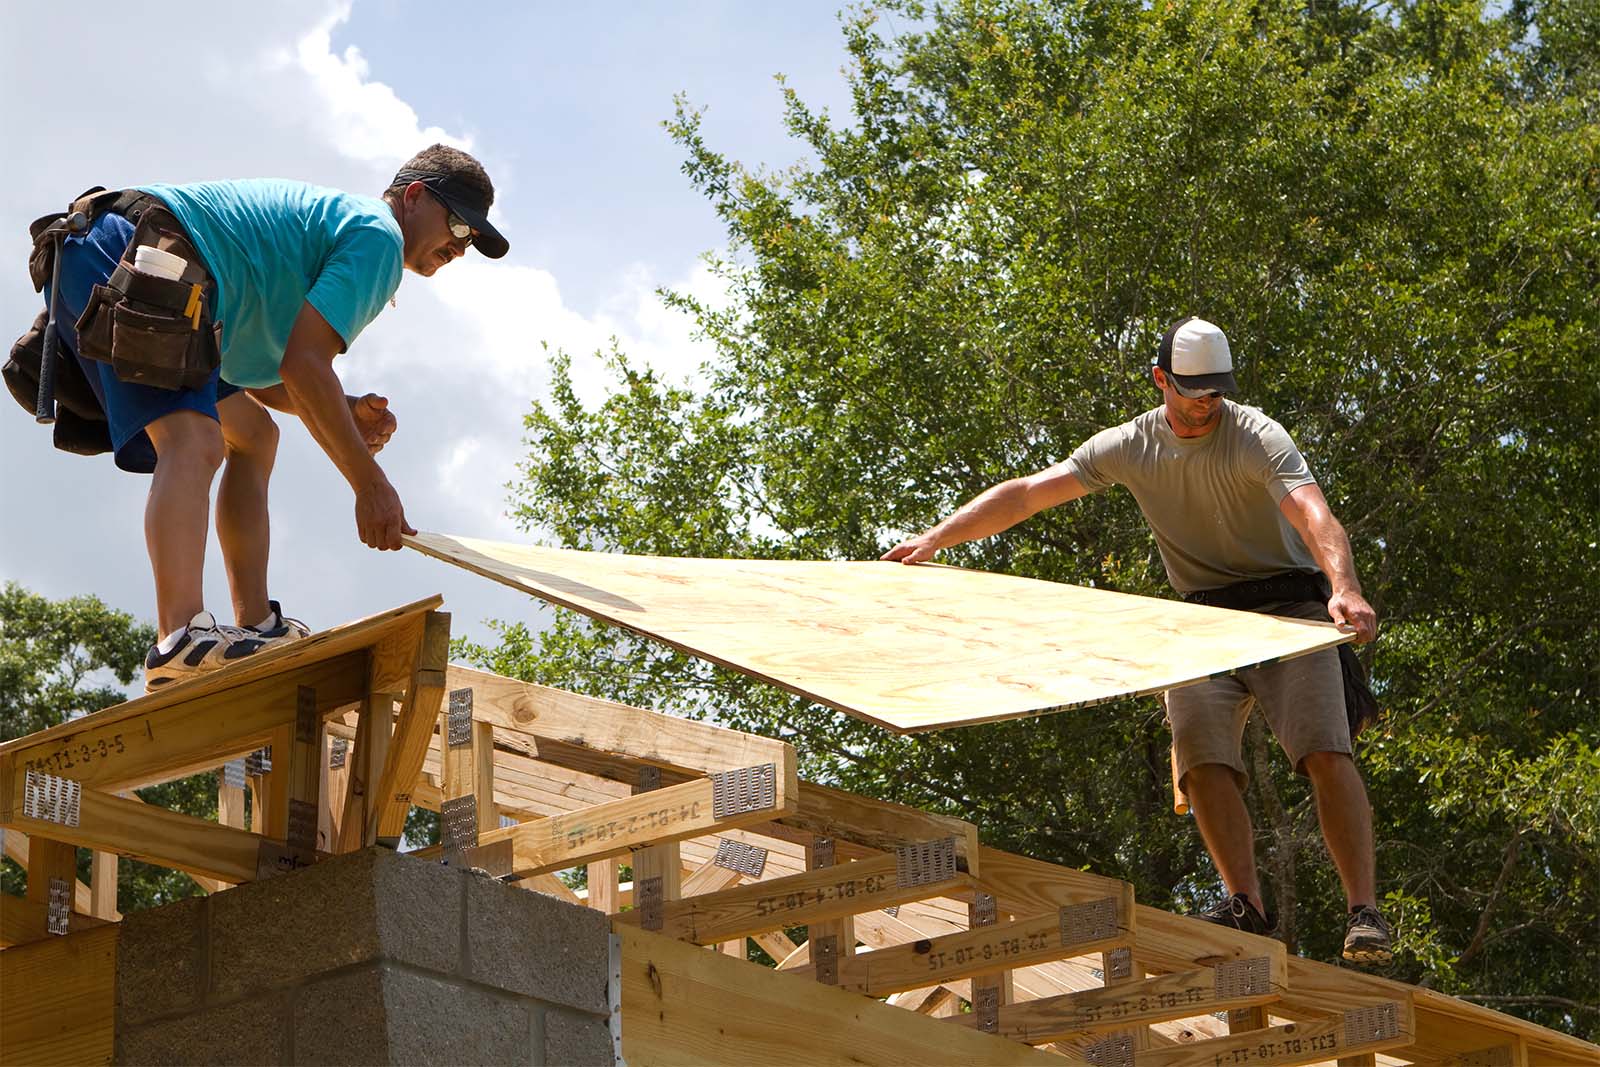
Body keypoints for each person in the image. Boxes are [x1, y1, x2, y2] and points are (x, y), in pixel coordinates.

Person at [882, 316, 1393, 963]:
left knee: (1325, 749)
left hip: (1289, 605)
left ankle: (1364, 912)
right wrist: (936, 538)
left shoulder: (1257, 435)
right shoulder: (1131, 445)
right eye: (1191, 392)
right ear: (1161, 380)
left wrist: (1342, 583)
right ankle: (1248, 905)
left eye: (1215, 391)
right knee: (1199, 753)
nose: (1206, 404)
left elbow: (1314, 513)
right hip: (1201, 622)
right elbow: (1032, 493)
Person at [35, 144, 509, 689]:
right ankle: (180, 638)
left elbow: (270, 378)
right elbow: (307, 366)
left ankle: (256, 624)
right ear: (415, 197)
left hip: (111, 252)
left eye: (472, 237)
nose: (460, 244)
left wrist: (345, 409)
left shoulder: (331, 240)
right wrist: (369, 484)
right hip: (144, 250)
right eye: (456, 223)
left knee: (255, 436)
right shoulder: (379, 238)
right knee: (194, 442)